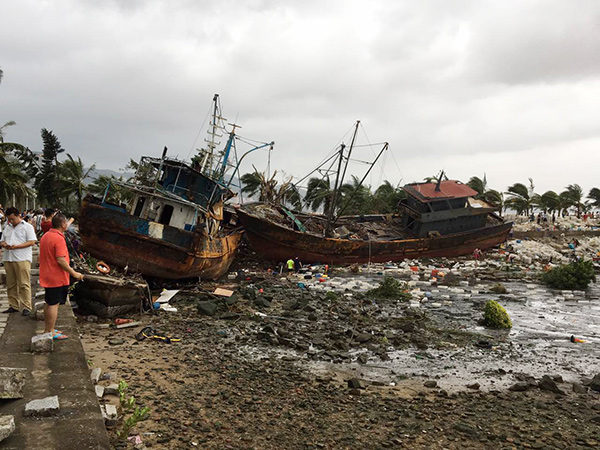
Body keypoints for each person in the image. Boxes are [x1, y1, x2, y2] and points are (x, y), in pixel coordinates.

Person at [39, 213, 84, 340]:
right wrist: (74, 273)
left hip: (47, 274)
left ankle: (48, 329)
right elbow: (61, 260)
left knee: (49, 303)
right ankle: (51, 331)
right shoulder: (58, 239)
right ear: (63, 224)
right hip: (56, 276)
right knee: (54, 304)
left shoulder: (46, 235)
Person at [0, 207, 37, 315]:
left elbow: (32, 242)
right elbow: (1, 241)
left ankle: (26, 306)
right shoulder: (7, 227)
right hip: (8, 258)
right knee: (11, 284)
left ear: (18, 216)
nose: (11, 221)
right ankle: (13, 305)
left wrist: (17, 246)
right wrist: (4, 245)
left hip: (22, 258)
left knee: (23, 283)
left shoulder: (27, 227)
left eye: (12, 219)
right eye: (9, 219)